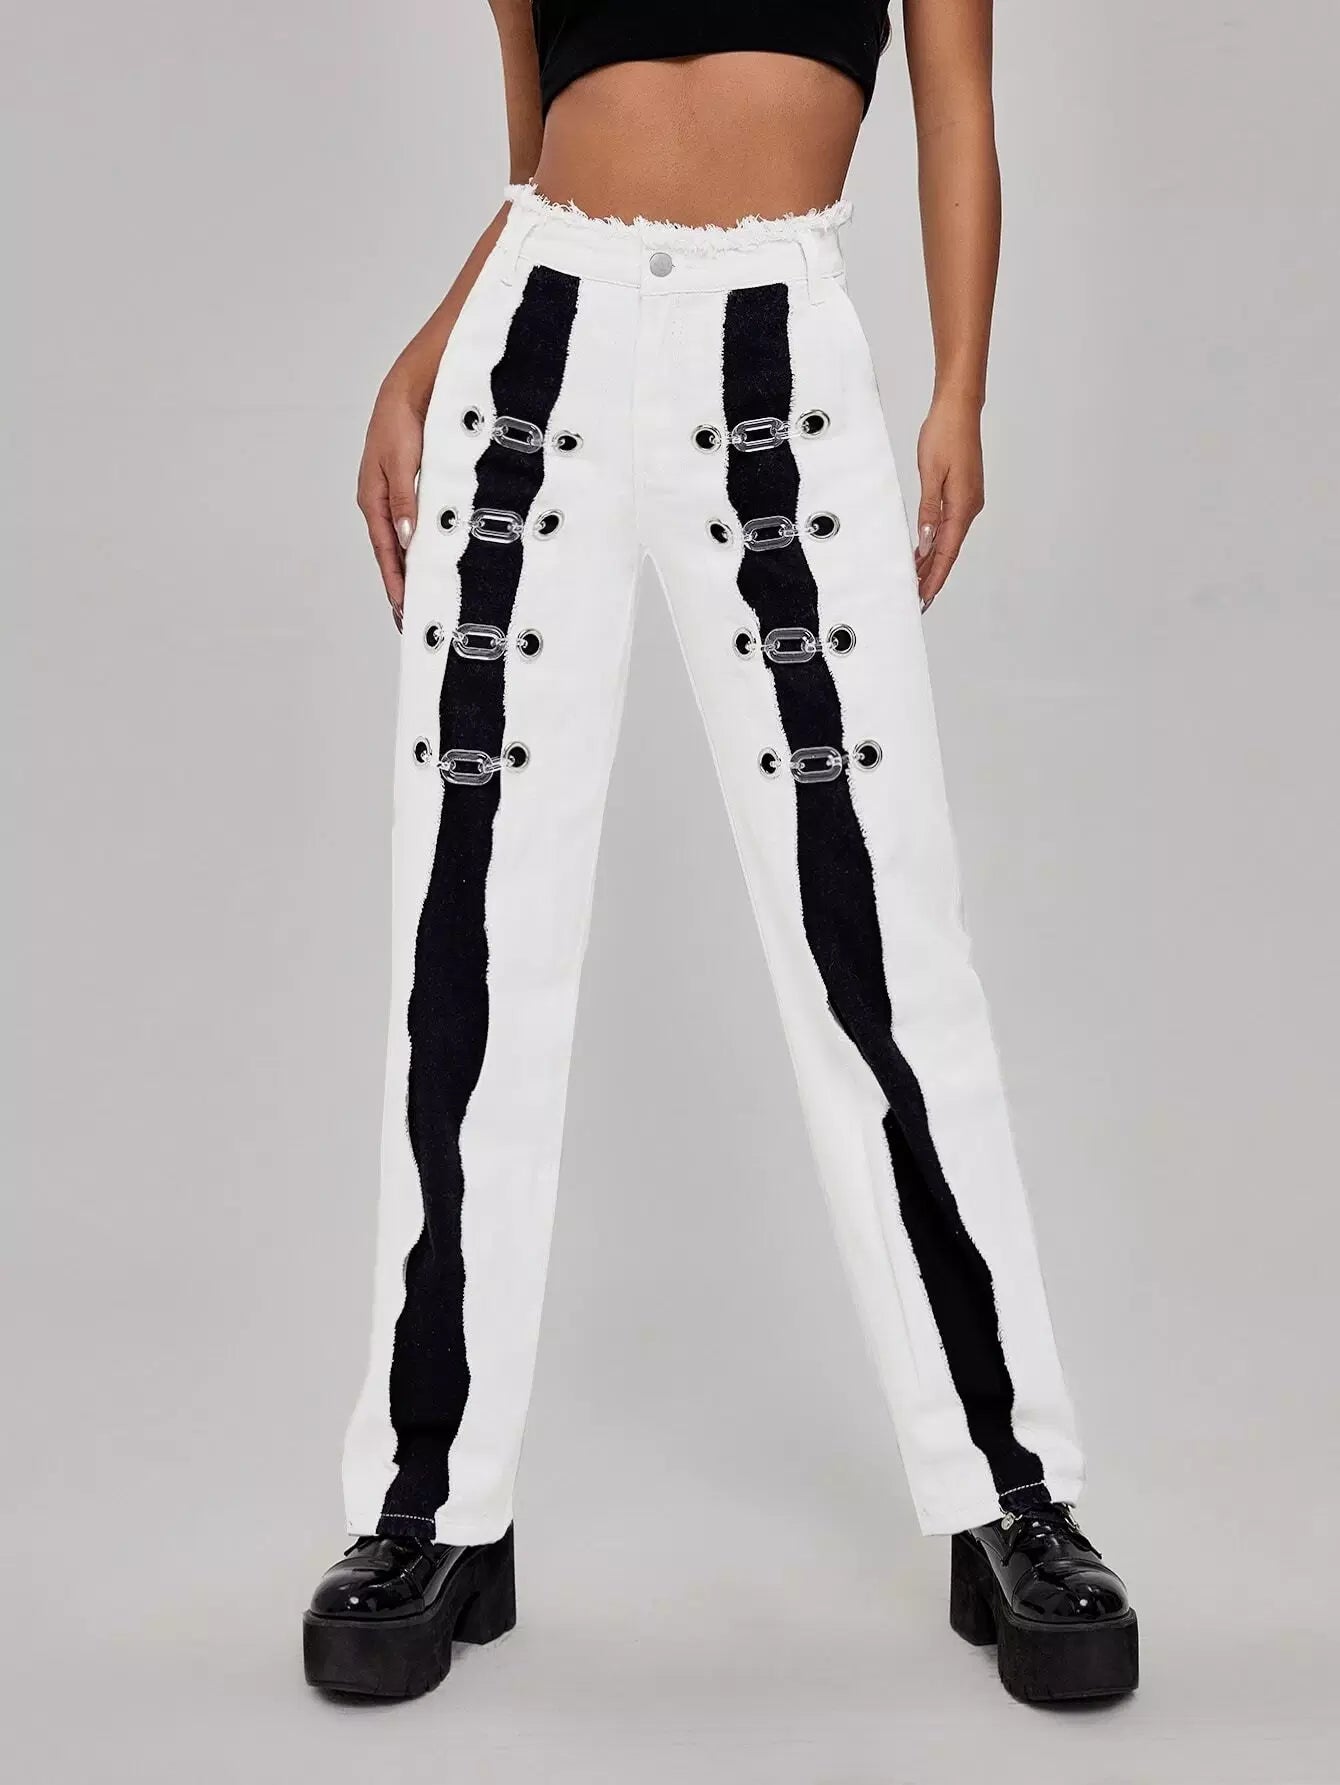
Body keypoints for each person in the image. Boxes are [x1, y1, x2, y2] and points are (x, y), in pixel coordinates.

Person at [302, 0, 1138, 1707]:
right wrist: (425, 352)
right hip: (534, 360)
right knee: (465, 942)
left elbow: (957, 105)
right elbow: (538, 162)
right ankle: (431, 1499)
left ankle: (1010, 1489)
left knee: (883, 947)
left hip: (779, 353)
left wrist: (961, 386)